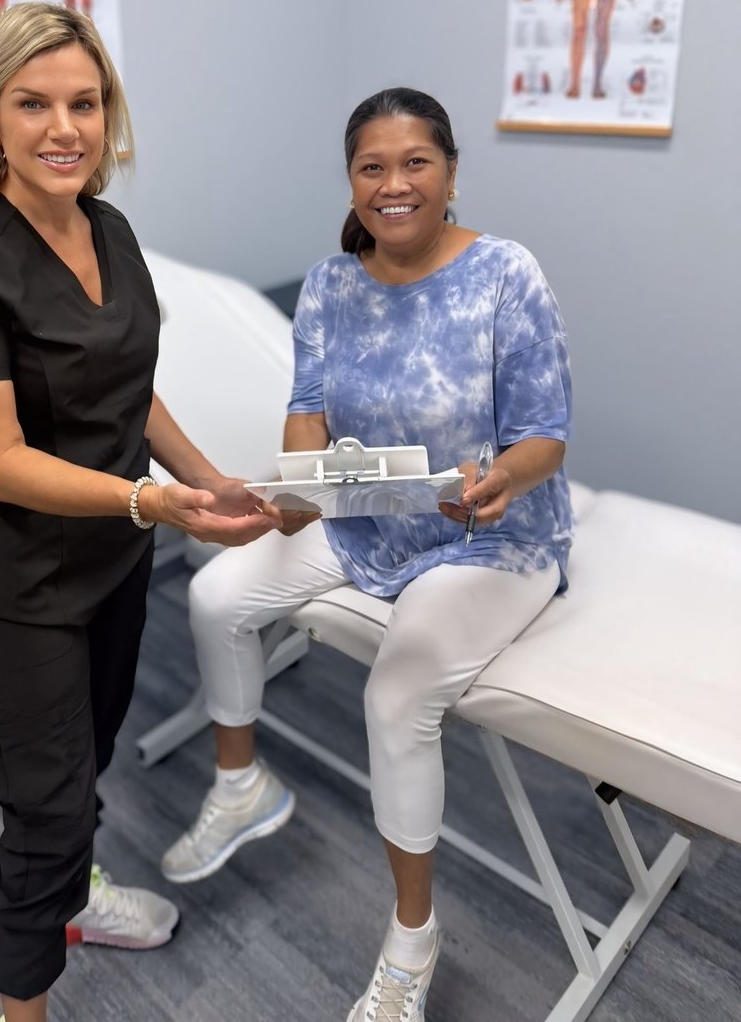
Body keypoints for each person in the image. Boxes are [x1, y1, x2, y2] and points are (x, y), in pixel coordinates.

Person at [0, 2, 277, 1022]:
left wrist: (208, 478)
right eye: (33, 103)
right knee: (45, 814)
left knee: (85, 766)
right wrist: (157, 501)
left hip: (111, 568)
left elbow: (129, 388)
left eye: (84, 101)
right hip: (16, 593)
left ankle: (77, 899)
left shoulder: (108, 230)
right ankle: (26, 997)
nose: (64, 126)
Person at [161, 88, 573, 1021]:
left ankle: (412, 943)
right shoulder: (330, 284)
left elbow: (546, 437)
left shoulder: (506, 275)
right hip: (370, 520)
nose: (394, 185)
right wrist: (302, 490)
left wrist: (503, 476)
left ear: (451, 172)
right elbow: (307, 407)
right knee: (218, 596)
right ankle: (241, 786)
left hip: (491, 535)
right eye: (372, 168)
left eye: (415, 163)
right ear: (352, 182)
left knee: (395, 697)